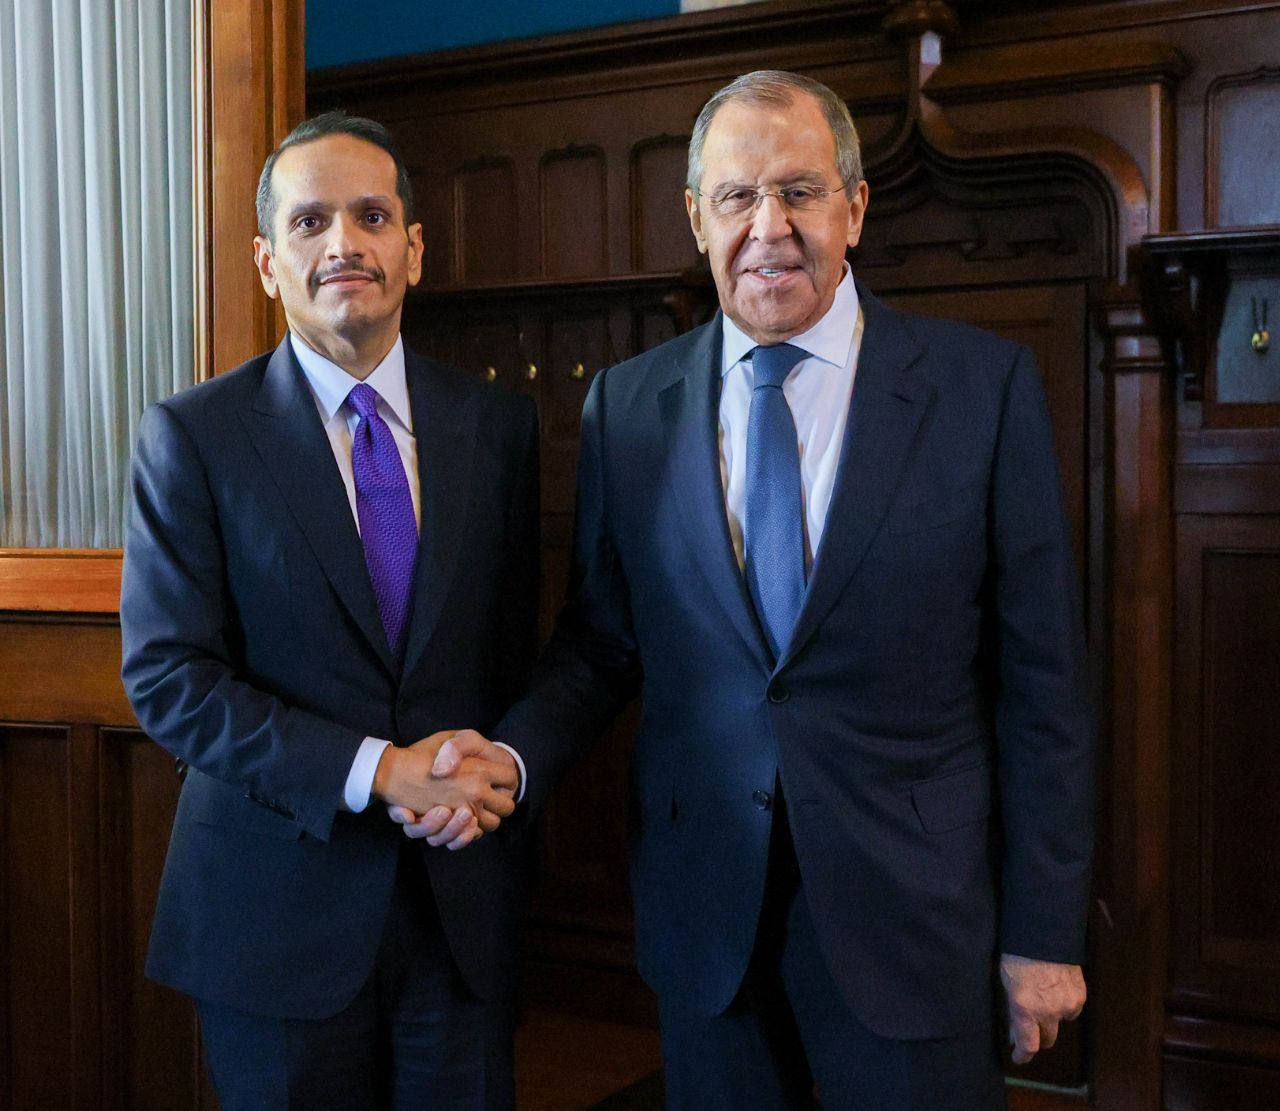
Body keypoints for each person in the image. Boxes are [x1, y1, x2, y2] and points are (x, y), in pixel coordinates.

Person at [415, 70, 1095, 1109]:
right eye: (737, 196)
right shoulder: (628, 407)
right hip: (706, 919)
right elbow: (601, 644)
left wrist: (1043, 931)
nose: (767, 227)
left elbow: (1045, 684)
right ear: (697, 218)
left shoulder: (981, 389)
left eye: (799, 191)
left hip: (913, 921)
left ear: (853, 208)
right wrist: (509, 757)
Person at [120, 111, 534, 1111]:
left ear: (414, 250)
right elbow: (170, 679)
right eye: (310, 221)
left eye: (371, 216)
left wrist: (496, 767)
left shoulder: (497, 424)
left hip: (460, 915)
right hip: (274, 918)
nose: (343, 242)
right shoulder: (192, 436)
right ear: (269, 263)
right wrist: (377, 769)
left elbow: (516, 652)